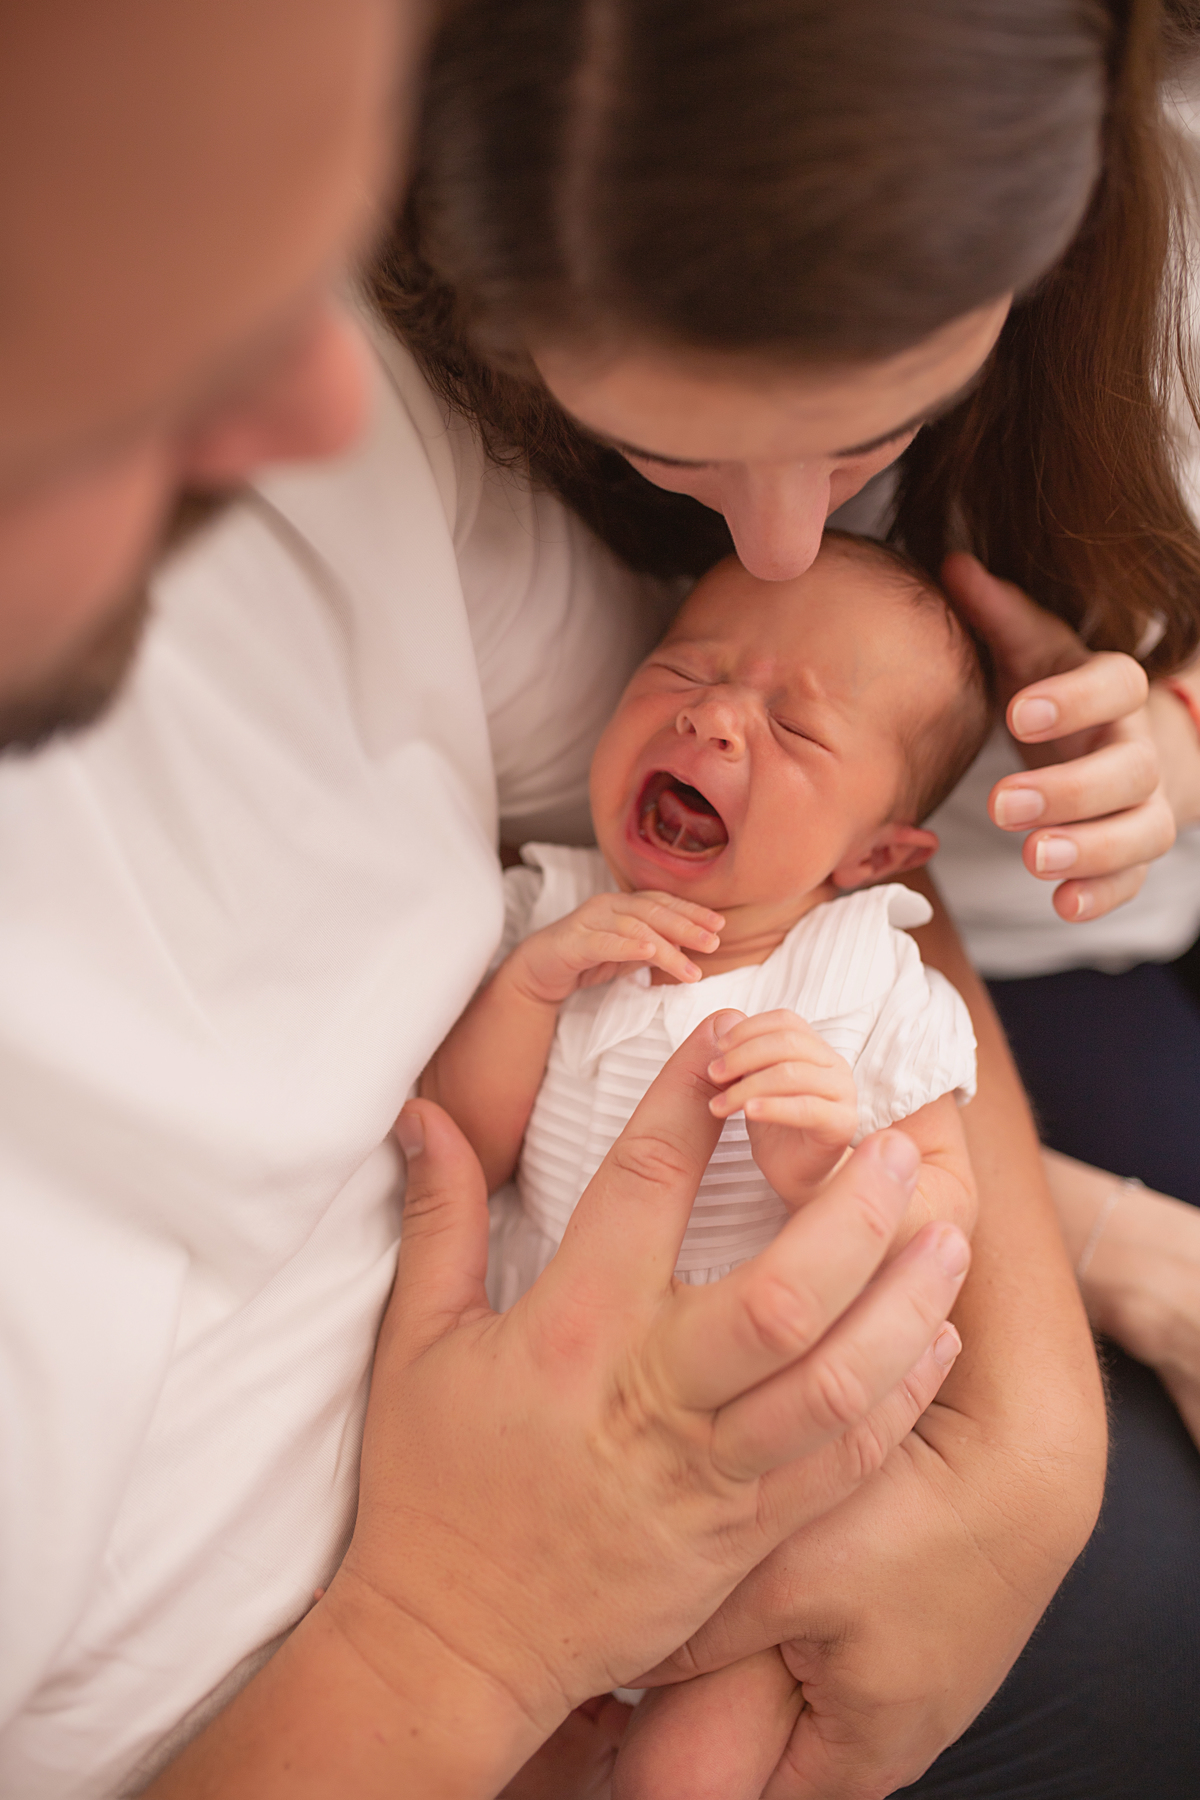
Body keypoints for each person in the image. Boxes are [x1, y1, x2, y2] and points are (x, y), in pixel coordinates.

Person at [0, 7, 981, 1794]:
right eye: (130, 295)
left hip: (778, 1504)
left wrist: (1024, 1450)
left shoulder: (322, 397)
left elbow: (880, 1008)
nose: (321, 405)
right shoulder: (564, 899)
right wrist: (460, 1630)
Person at [368, 0, 1200, 1791]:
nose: (772, 544)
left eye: (867, 433)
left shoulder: (1161, 260)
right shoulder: (575, 865)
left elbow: (902, 1151)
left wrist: (1183, 730)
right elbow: (473, 1125)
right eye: (673, 460)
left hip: (1063, 946)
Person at [428, 540, 983, 1320]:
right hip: (522, 1329)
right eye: (684, 670)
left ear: (875, 853)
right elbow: (462, 1155)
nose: (712, 714)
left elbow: (949, 1206)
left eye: (794, 725)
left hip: (726, 1371)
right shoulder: (548, 911)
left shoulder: (871, 983)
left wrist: (830, 1178)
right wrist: (527, 988)